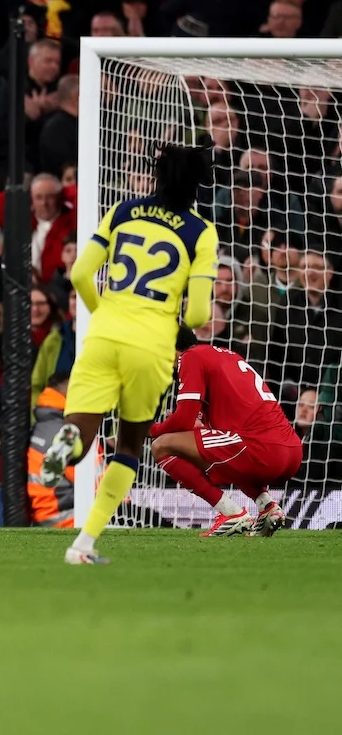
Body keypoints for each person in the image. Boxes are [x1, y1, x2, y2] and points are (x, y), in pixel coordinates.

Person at [38, 144, 218, 565]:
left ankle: (67, 442)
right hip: (150, 345)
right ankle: (83, 545)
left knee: (80, 431)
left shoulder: (123, 211)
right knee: (129, 446)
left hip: (103, 335)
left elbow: (80, 273)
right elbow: (199, 313)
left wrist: (104, 312)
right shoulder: (201, 231)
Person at [150, 339, 302, 538]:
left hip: (262, 450)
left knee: (161, 445)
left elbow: (183, 419)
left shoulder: (190, 357)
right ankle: (267, 507)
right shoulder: (227, 357)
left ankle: (232, 513)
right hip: (291, 451)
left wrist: (151, 429)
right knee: (224, 452)